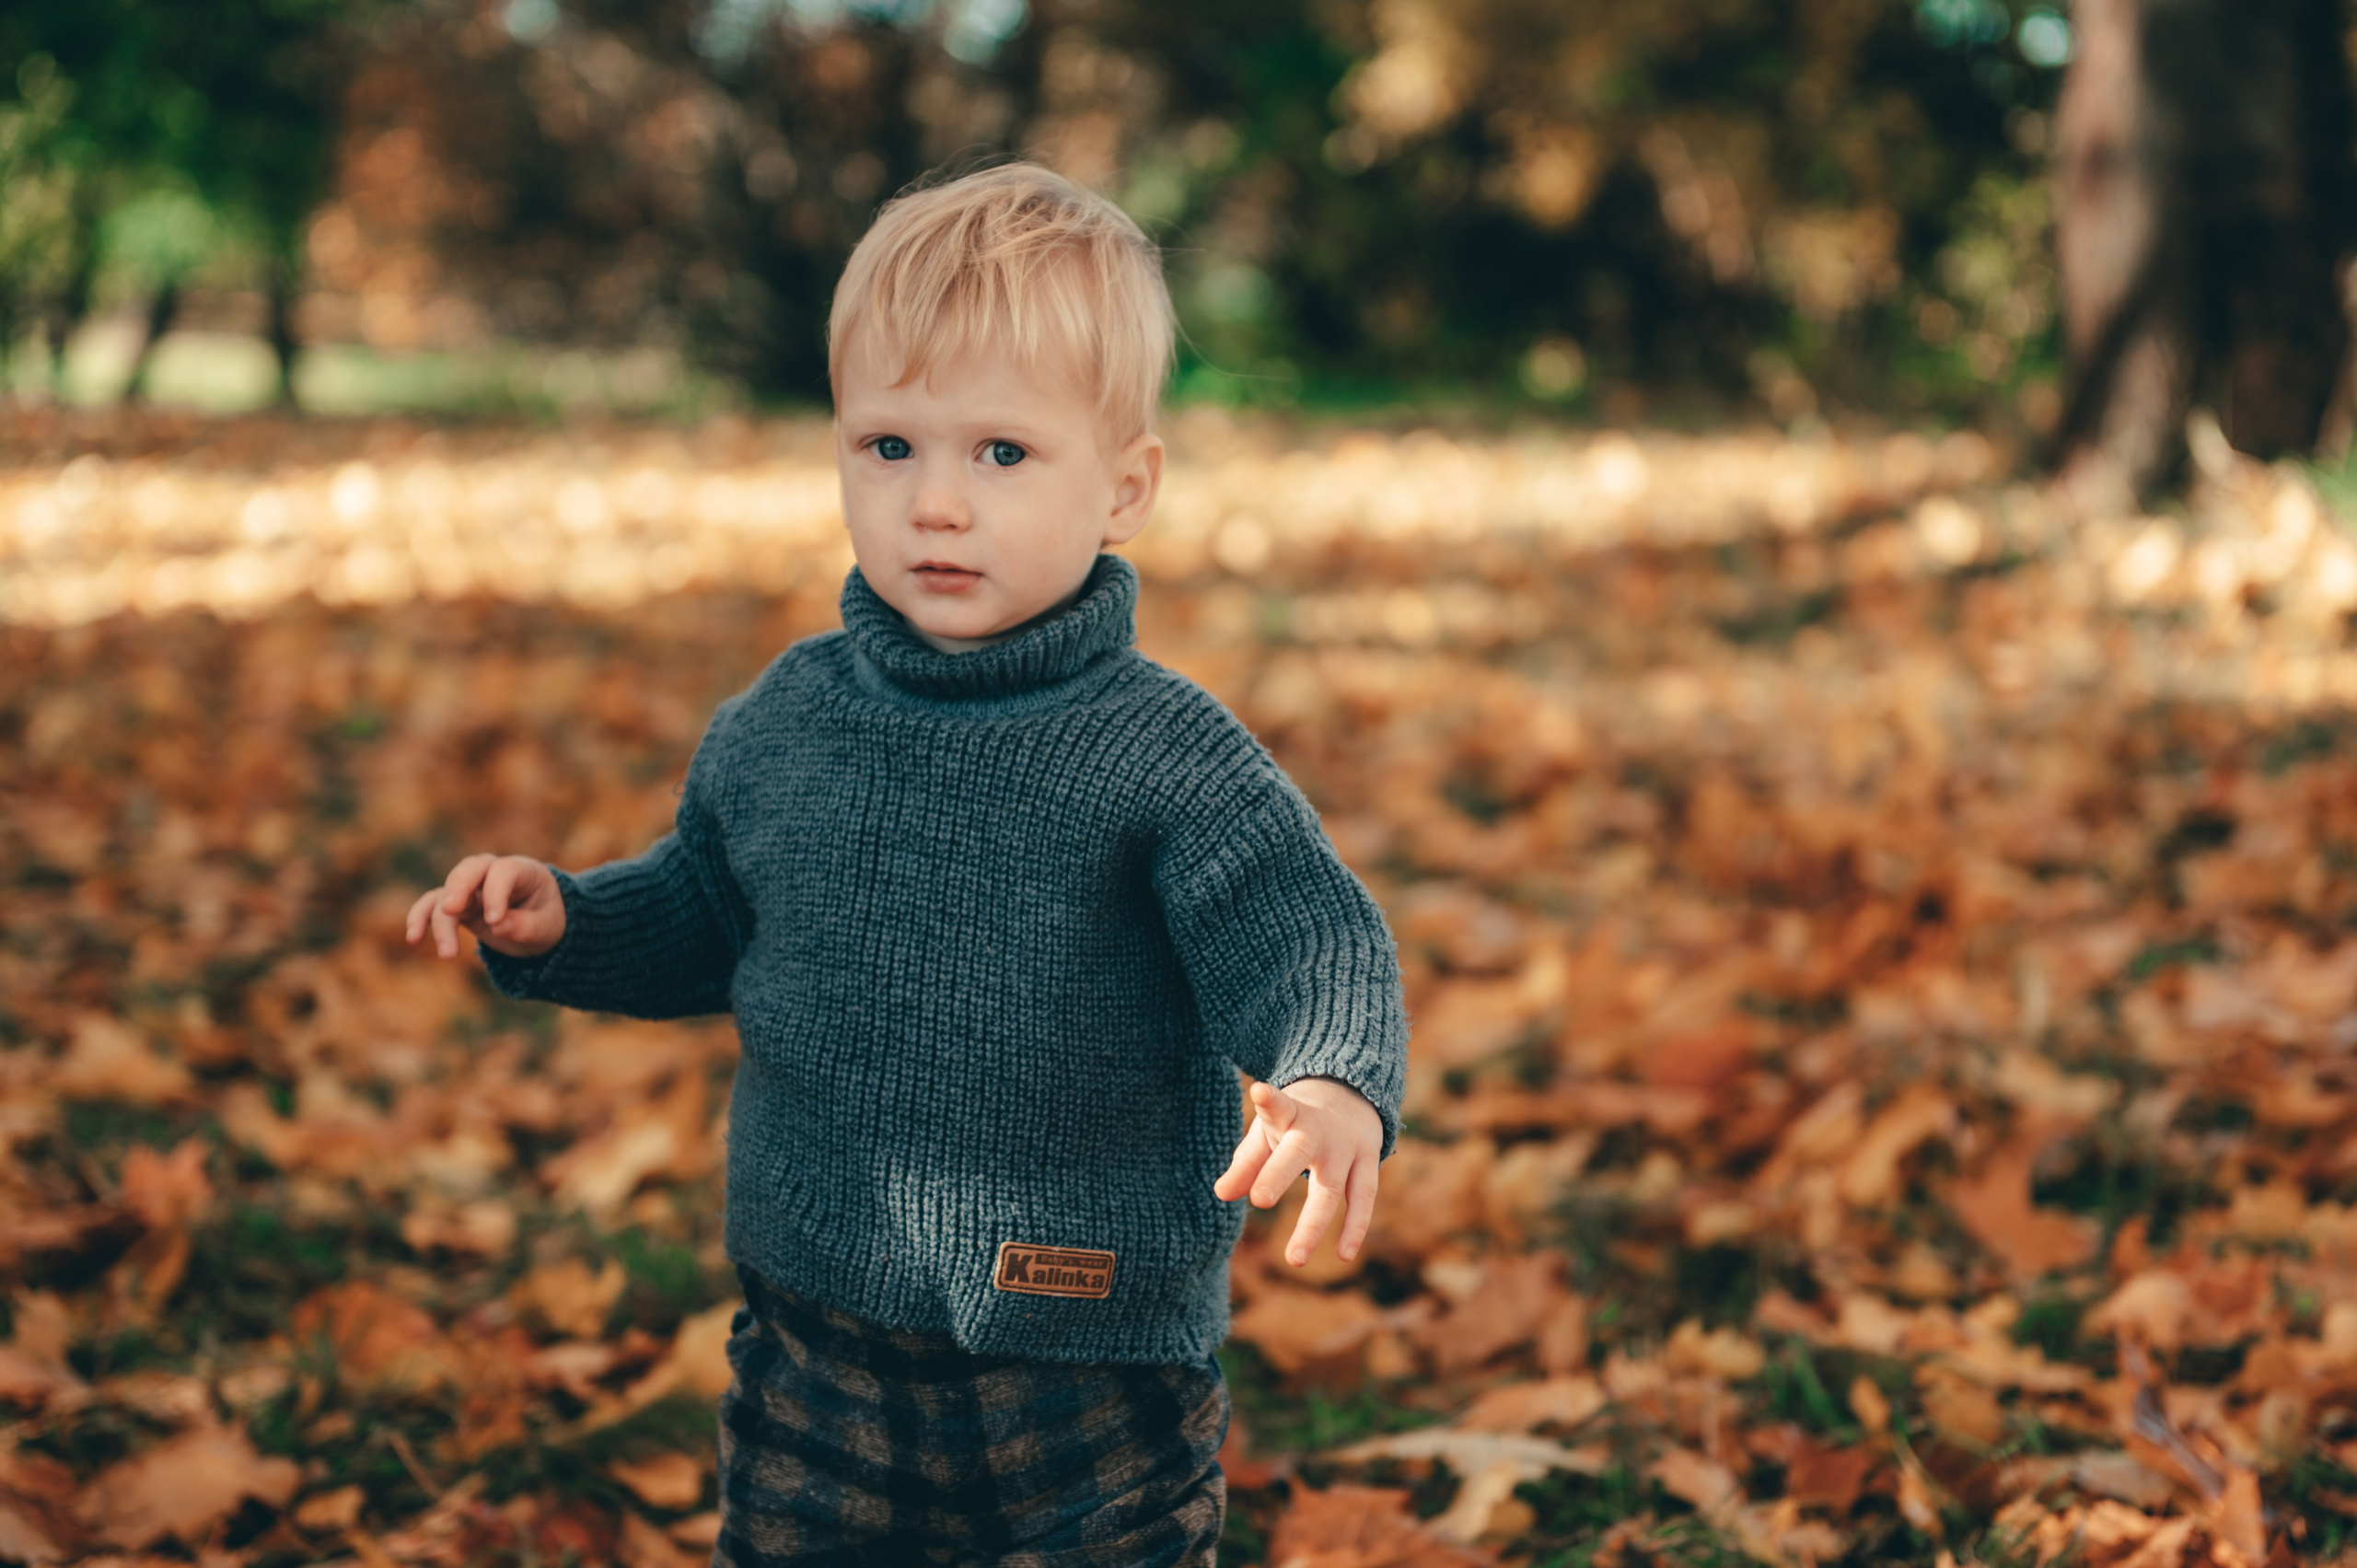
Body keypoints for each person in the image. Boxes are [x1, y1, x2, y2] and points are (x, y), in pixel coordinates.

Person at [405, 160, 1408, 1567]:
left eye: (1001, 454)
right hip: (818, 1340)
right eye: (890, 446)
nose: (936, 502)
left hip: (1086, 1349)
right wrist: (563, 921)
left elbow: (1304, 931)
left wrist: (1331, 1074)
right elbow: (708, 909)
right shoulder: (785, 722)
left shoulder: (1160, 754)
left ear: (1125, 488)